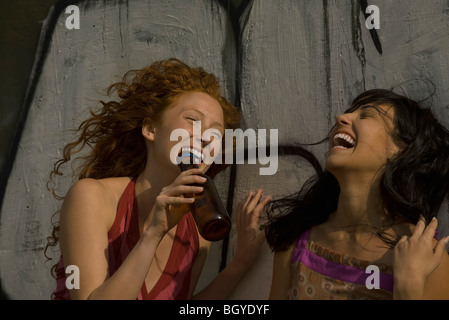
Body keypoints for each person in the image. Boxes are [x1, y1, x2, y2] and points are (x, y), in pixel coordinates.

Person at [44, 58, 270, 300]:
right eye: (192, 120)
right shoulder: (92, 197)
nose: (206, 137)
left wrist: (241, 263)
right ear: (151, 129)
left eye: (216, 133)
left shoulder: (199, 228)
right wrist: (153, 234)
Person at [266, 89, 449, 300]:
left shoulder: (426, 259)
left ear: (403, 152)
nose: (340, 118)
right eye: (348, 112)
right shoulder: (296, 239)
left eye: (366, 115)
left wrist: (410, 287)